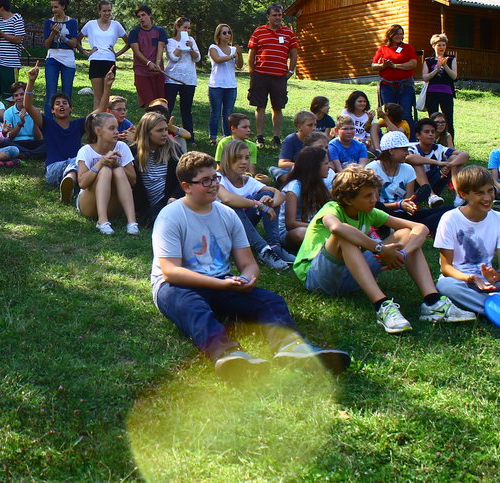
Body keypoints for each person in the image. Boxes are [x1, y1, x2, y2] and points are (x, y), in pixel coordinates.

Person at [150, 151, 350, 380]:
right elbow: (171, 271)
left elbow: (248, 263)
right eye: (205, 181)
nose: (214, 184)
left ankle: (292, 348)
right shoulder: (171, 216)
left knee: (271, 301)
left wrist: (247, 278)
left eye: (215, 178)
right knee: (193, 308)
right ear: (186, 186)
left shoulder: (227, 215)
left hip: (221, 282)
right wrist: (220, 284)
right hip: (176, 286)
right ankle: (228, 355)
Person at [293, 165, 474, 333]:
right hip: (318, 278)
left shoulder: (369, 212)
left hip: (351, 277)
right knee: (345, 235)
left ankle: (433, 302)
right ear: (348, 199)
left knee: (406, 234)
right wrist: (380, 249)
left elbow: (421, 228)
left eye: (375, 194)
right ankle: (382, 305)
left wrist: (402, 254)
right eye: (367, 196)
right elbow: (336, 228)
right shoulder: (332, 208)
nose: (374, 200)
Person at [22, 62, 116, 203]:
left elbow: (101, 110)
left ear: (71, 109)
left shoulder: (78, 125)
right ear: (52, 110)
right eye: (57, 104)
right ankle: (71, 181)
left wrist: (107, 87)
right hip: (53, 170)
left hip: (77, 167)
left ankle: (69, 183)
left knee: (81, 161)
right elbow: (28, 106)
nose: (61, 105)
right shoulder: (47, 124)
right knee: (78, 160)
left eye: (65, 103)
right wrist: (31, 81)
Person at [434, 165, 500, 316]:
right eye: (479, 193)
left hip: (492, 284)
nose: (487, 198)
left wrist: (497, 276)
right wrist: (470, 278)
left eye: (490, 191)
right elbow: (446, 268)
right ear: (463, 194)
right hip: (461, 281)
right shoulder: (450, 219)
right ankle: (498, 309)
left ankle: (495, 305)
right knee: (445, 285)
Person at [216, 139, 294, 270]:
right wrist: (259, 205)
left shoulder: (248, 180)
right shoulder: (217, 178)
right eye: (239, 157)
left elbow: (279, 194)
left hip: (243, 227)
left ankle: (274, 245)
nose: (244, 162)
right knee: (233, 207)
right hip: (222, 232)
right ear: (227, 158)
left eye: (247, 158)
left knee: (268, 194)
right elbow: (227, 199)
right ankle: (263, 250)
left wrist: (270, 203)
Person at [371, 131, 449, 236]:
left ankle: (405, 227)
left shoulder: (408, 169)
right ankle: (411, 227)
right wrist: (398, 205)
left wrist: (410, 205)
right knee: (379, 207)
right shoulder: (373, 169)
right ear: (391, 151)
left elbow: (408, 199)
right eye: (404, 150)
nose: (407, 153)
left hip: (403, 213)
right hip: (382, 213)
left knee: (449, 210)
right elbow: (373, 204)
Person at [75, 112, 139, 235]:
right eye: (111, 128)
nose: (116, 132)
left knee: (118, 170)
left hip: (114, 205)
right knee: (105, 170)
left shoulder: (122, 147)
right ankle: (102, 221)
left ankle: (132, 222)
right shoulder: (86, 150)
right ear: (98, 131)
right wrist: (101, 163)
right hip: (88, 205)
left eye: (117, 128)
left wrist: (117, 164)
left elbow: (133, 181)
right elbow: (82, 183)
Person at [247, 4, 297, 148]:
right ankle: (260, 137)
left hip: (279, 76)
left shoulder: (288, 33)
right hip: (260, 75)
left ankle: (276, 137)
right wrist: (252, 71)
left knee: (278, 107)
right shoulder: (259, 31)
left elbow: (294, 54)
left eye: (279, 15)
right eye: (274, 15)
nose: (277, 18)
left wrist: (290, 71)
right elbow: (252, 52)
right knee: (260, 106)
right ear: (268, 16)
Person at [130, 111, 182, 226]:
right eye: (159, 130)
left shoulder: (174, 149)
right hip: (145, 206)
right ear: (147, 133)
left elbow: (184, 178)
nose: (165, 134)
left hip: (170, 201)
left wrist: (174, 197)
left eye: (166, 129)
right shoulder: (133, 152)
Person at [406, 118, 470, 207]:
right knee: (417, 164)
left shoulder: (439, 148)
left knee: (454, 158)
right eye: (427, 132)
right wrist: (438, 163)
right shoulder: (413, 148)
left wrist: (449, 165)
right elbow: (408, 158)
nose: (431, 134)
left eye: (433, 132)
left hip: (436, 179)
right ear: (418, 135)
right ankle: (431, 196)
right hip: (417, 185)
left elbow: (465, 155)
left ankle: (458, 196)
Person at [80, 0, 127, 111]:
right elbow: (77, 40)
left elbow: (129, 42)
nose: (107, 13)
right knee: (98, 96)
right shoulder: (90, 24)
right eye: (104, 11)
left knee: (106, 96)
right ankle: (95, 120)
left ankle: (106, 119)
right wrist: (85, 52)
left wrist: (117, 54)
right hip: (95, 61)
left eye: (109, 10)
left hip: (109, 62)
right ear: (99, 11)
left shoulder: (116, 25)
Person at [282, 146, 332, 251]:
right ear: (314, 167)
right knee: (301, 233)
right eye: (326, 163)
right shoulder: (293, 188)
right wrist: (321, 226)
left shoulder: (319, 185)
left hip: (314, 227)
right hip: (292, 233)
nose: (330, 167)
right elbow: (290, 224)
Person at [371, 24, 418, 135]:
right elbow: (373, 65)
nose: (399, 36)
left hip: (405, 86)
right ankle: (391, 138)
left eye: (401, 34)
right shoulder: (383, 49)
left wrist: (395, 66)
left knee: (406, 113)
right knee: (389, 114)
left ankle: (410, 139)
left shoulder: (407, 48)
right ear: (390, 35)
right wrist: (383, 66)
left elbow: (413, 64)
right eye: (396, 34)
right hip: (387, 86)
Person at [163, 16, 200, 141]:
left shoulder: (191, 40)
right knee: (168, 108)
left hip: (189, 79)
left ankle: (190, 137)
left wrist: (191, 48)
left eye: (189, 28)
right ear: (177, 27)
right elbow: (173, 58)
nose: (187, 30)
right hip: (172, 78)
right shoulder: (170, 41)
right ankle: (165, 134)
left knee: (186, 110)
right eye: (185, 27)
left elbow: (197, 58)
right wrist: (180, 47)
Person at [42, 0, 79, 117]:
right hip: (52, 57)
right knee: (51, 92)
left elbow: (74, 43)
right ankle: (48, 122)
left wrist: (62, 37)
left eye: (56, 7)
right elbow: (47, 44)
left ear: (63, 6)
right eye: (52, 7)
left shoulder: (72, 22)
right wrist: (53, 33)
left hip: (68, 58)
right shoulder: (48, 22)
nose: (53, 10)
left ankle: (64, 121)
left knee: (67, 93)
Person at [125, 5, 166, 108]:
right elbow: (136, 51)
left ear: (150, 15)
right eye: (139, 16)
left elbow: (160, 48)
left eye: (143, 15)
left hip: (157, 71)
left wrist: (157, 64)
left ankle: (160, 118)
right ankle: (150, 118)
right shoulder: (134, 32)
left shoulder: (160, 31)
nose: (141, 18)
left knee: (160, 102)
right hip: (141, 71)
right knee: (149, 103)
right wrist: (148, 63)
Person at [206, 23, 242, 145]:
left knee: (228, 114)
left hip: (231, 86)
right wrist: (232, 56)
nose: (227, 35)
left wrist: (239, 54)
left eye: (229, 32)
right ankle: (213, 137)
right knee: (215, 113)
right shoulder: (213, 47)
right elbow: (217, 60)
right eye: (224, 33)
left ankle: (227, 137)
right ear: (219, 35)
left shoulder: (233, 50)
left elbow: (239, 65)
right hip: (216, 85)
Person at [0, 0, 25, 102]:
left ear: (2, 8)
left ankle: (10, 112)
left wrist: (1, 34)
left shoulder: (17, 18)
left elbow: (18, 39)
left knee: (10, 94)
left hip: (10, 63)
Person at [421, 33, 458, 139]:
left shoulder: (451, 59)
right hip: (431, 93)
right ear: (433, 46)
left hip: (447, 93)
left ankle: (449, 143)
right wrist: (436, 69)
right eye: (439, 45)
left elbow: (454, 76)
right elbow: (425, 77)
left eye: (443, 45)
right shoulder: (428, 60)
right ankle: (432, 141)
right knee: (433, 120)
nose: (441, 47)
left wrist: (445, 65)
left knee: (448, 119)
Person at [0, 81, 45, 160]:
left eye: (22, 94)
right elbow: (10, 136)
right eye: (16, 95)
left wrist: (35, 120)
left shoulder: (35, 111)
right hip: (16, 143)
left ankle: (26, 154)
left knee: (50, 142)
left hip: (32, 142)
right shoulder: (8, 112)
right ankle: (34, 154)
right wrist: (20, 123)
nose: (19, 97)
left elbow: (38, 137)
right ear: (13, 98)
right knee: (3, 143)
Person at [273, 110, 317, 184]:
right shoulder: (291, 139)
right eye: (310, 125)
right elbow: (282, 163)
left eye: (315, 125)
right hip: (295, 169)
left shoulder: (317, 139)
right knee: (277, 171)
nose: (314, 128)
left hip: (313, 169)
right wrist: (302, 166)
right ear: (299, 127)